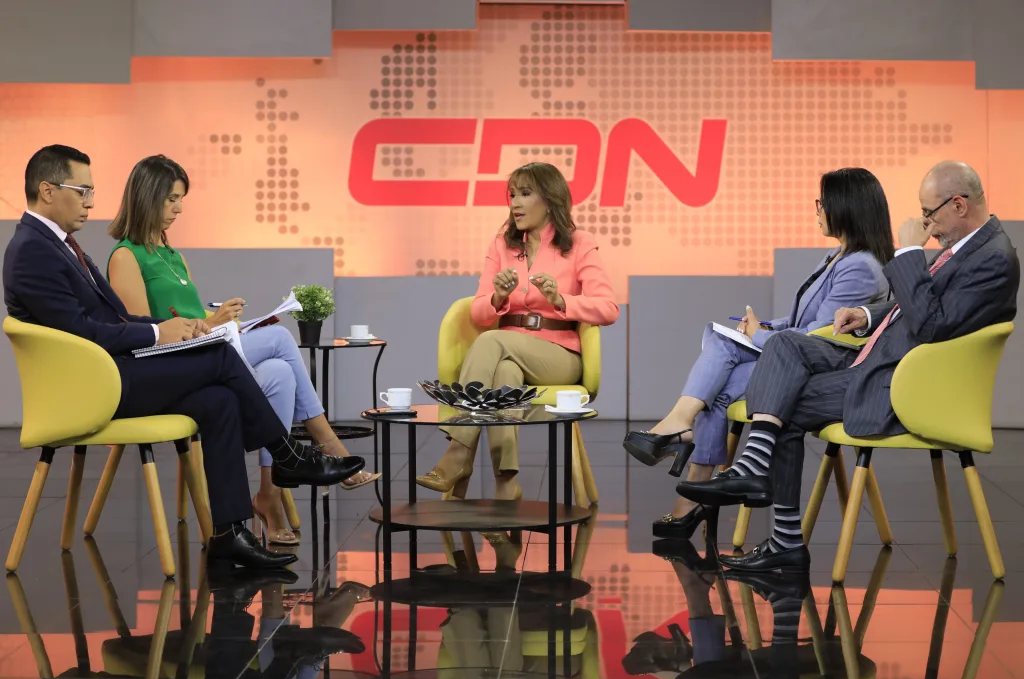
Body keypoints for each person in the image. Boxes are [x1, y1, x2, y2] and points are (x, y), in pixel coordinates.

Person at [3, 145, 365, 569]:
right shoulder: (33, 250)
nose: (91, 203)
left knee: (219, 400)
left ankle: (229, 532)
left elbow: (114, 318)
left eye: (92, 192)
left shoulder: (58, 245)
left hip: (110, 375)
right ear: (47, 190)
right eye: (82, 191)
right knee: (221, 356)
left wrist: (170, 327)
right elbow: (82, 331)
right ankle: (288, 456)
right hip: (94, 389)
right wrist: (160, 332)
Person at [677, 161, 1020, 573]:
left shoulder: (994, 259)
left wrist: (910, 252)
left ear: (959, 205)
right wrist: (867, 314)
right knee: (785, 343)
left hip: (904, 387)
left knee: (784, 402)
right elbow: (919, 307)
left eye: (929, 213)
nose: (926, 224)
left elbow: (930, 326)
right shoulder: (967, 249)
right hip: (878, 359)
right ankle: (757, 473)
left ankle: (780, 531)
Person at [105, 155, 379, 546]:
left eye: (181, 200)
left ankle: (269, 496)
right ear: (147, 197)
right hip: (173, 366)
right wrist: (213, 324)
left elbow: (192, 317)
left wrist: (222, 320)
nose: (178, 209)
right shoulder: (126, 257)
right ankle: (326, 443)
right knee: (281, 340)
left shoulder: (173, 256)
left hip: (206, 350)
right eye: (171, 199)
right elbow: (147, 332)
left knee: (280, 374)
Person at [623, 168, 894, 541]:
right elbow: (801, 320)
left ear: (846, 206)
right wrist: (765, 325)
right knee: (720, 345)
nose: (817, 210)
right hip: (798, 353)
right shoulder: (836, 256)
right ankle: (683, 443)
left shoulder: (860, 266)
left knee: (720, 382)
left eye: (822, 202)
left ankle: (681, 446)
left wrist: (761, 336)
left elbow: (823, 336)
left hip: (817, 368)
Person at [415, 162, 619, 502]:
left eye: (525, 194)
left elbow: (608, 308)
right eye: (512, 195)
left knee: (492, 341)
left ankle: (458, 451)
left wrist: (561, 299)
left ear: (550, 199)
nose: (515, 203)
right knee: (504, 374)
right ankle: (506, 484)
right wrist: (497, 296)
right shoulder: (502, 245)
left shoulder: (579, 244)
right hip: (507, 351)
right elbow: (478, 311)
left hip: (559, 355)